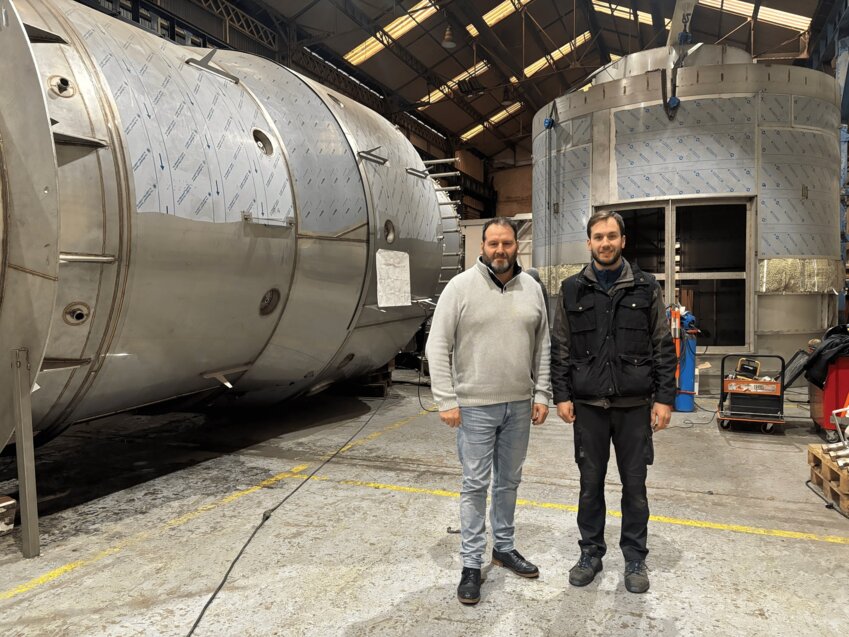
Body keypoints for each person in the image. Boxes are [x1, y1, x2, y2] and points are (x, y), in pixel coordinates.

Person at [426, 217, 552, 605]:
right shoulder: (460, 288)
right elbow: (436, 345)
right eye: (493, 244)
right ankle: (470, 563)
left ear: (517, 246)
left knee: (509, 481)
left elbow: (543, 345)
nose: (501, 250)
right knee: (475, 485)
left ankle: (504, 547)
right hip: (475, 407)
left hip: (519, 405)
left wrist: (542, 393)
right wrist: (446, 399)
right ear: (482, 246)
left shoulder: (531, 288)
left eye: (507, 244)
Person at [550, 211, 676, 594]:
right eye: (597, 237)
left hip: (634, 405)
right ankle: (591, 552)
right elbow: (561, 348)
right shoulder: (571, 289)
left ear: (623, 241)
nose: (605, 243)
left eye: (611, 236)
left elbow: (662, 345)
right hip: (587, 406)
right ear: (588, 242)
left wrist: (664, 399)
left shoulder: (646, 287)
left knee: (634, 486)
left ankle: (635, 557)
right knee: (590, 485)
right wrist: (562, 395)